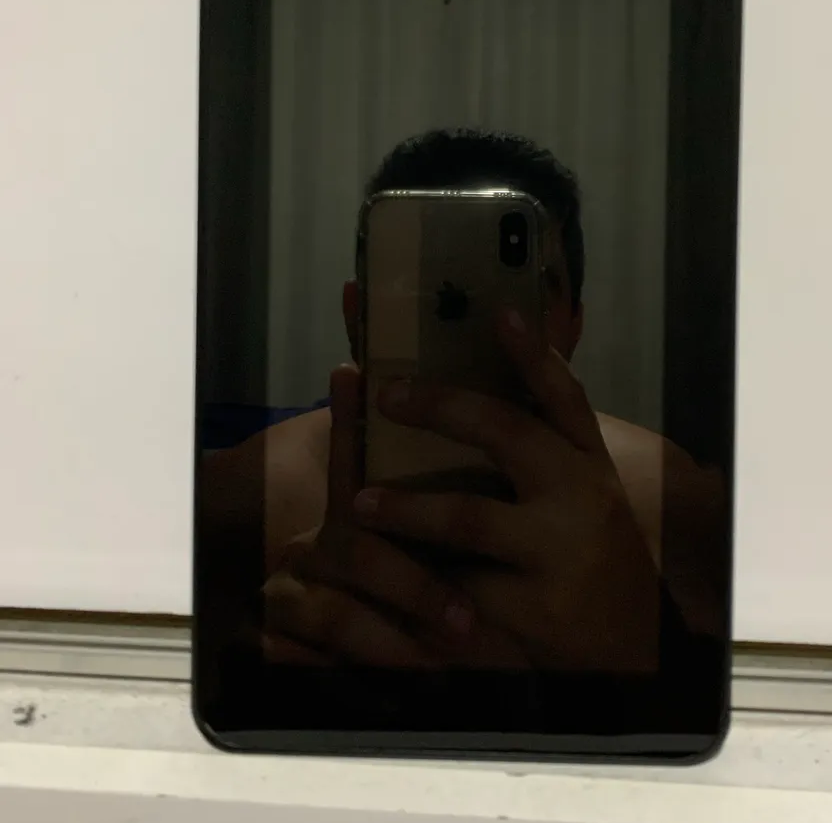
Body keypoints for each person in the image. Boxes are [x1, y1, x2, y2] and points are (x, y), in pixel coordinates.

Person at [200, 128, 724, 675]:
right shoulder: (251, 493)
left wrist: (643, 642)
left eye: (521, 291)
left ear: (575, 324)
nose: (478, 330)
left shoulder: (662, 497)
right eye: (421, 288)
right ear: (357, 316)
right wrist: (250, 678)